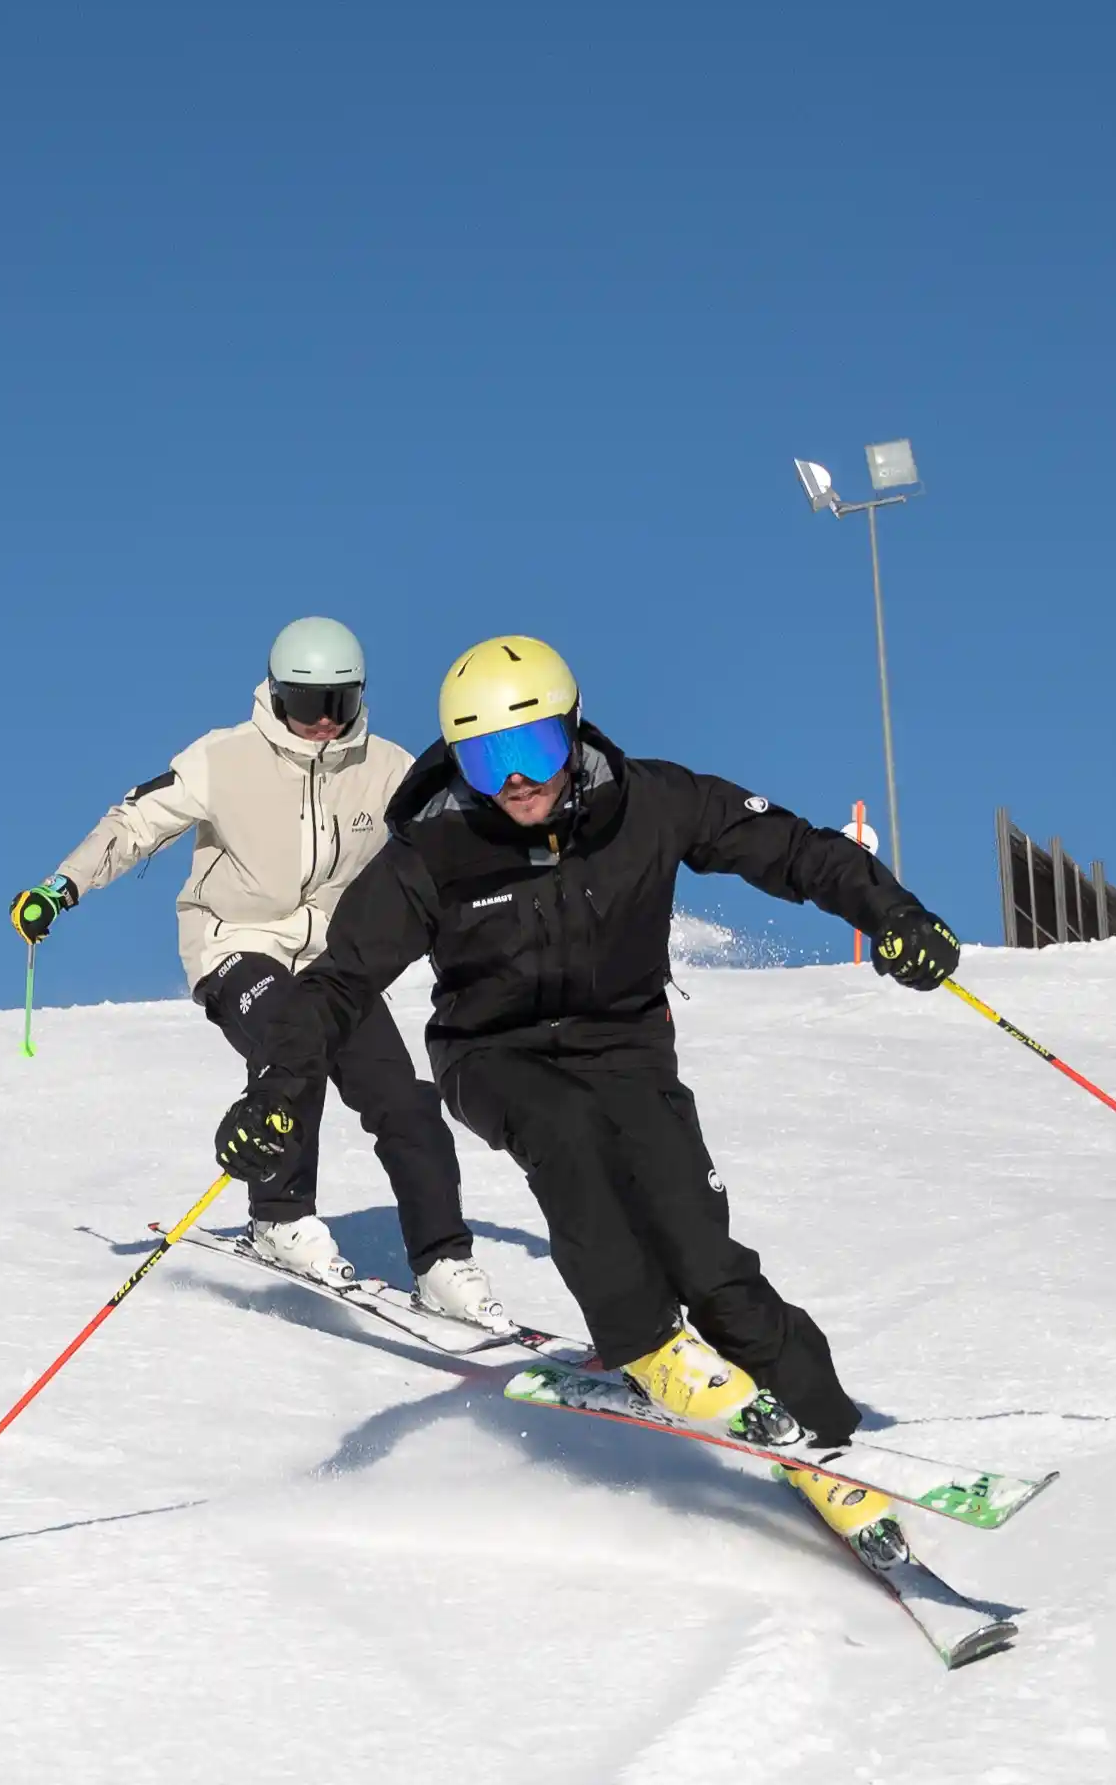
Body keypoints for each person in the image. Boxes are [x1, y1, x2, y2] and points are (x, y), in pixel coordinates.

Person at [212, 634, 964, 1555]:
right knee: (565, 1134)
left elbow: (793, 850)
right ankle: (643, 1340)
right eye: (489, 759)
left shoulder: (650, 801)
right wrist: (276, 1093)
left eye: (534, 749)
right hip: (492, 1053)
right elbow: (335, 985)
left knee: (708, 1258)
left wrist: (893, 915)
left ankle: (833, 1443)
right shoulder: (431, 849)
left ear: (573, 732)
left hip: (628, 1050)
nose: (517, 780)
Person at [15, 616, 505, 1326]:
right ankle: (278, 1215)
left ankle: (441, 1260)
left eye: (338, 704)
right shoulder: (224, 757)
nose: (322, 724)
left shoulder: (389, 770)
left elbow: (462, 843)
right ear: (276, 697)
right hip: (235, 944)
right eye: (306, 706)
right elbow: (134, 823)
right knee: (290, 1043)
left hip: (337, 966)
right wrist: (60, 887)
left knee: (404, 1101)